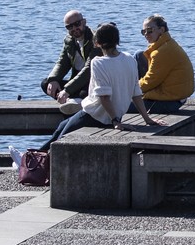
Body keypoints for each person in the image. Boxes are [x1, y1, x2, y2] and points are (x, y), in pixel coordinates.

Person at [33, 23, 159, 153]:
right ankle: (34, 155)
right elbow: (136, 93)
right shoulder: (130, 59)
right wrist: (147, 119)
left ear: (97, 43)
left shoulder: (98, 62)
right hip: (114, 115)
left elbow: (104, 97)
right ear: (117, 41)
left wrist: (114, 121)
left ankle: (35, 162)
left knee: (59, 141)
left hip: (94, 115)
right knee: (61, 127)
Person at [136, 14, 195, 113]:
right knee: (138, 55)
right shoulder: (167, 43)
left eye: (149, 30)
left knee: (120, 106)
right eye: (143, 31)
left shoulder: (162, 52)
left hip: (169, 101)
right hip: (175, 95)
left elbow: (150, 81)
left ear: (161, 30)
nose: (146, 34)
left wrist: (130, 90)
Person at [43, 10, 97, 104]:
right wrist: (53, 79)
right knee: (46, 84)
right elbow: (62, 62)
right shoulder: (69, 40)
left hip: (92, 81)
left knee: (83, 94)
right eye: (69, 27)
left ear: (84, 22)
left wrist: (67, 90)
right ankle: (70, 102)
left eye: (77, 24)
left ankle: (72, 101)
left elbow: (89, 70)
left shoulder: (95, 40)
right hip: (76, 81)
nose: (74, 28)